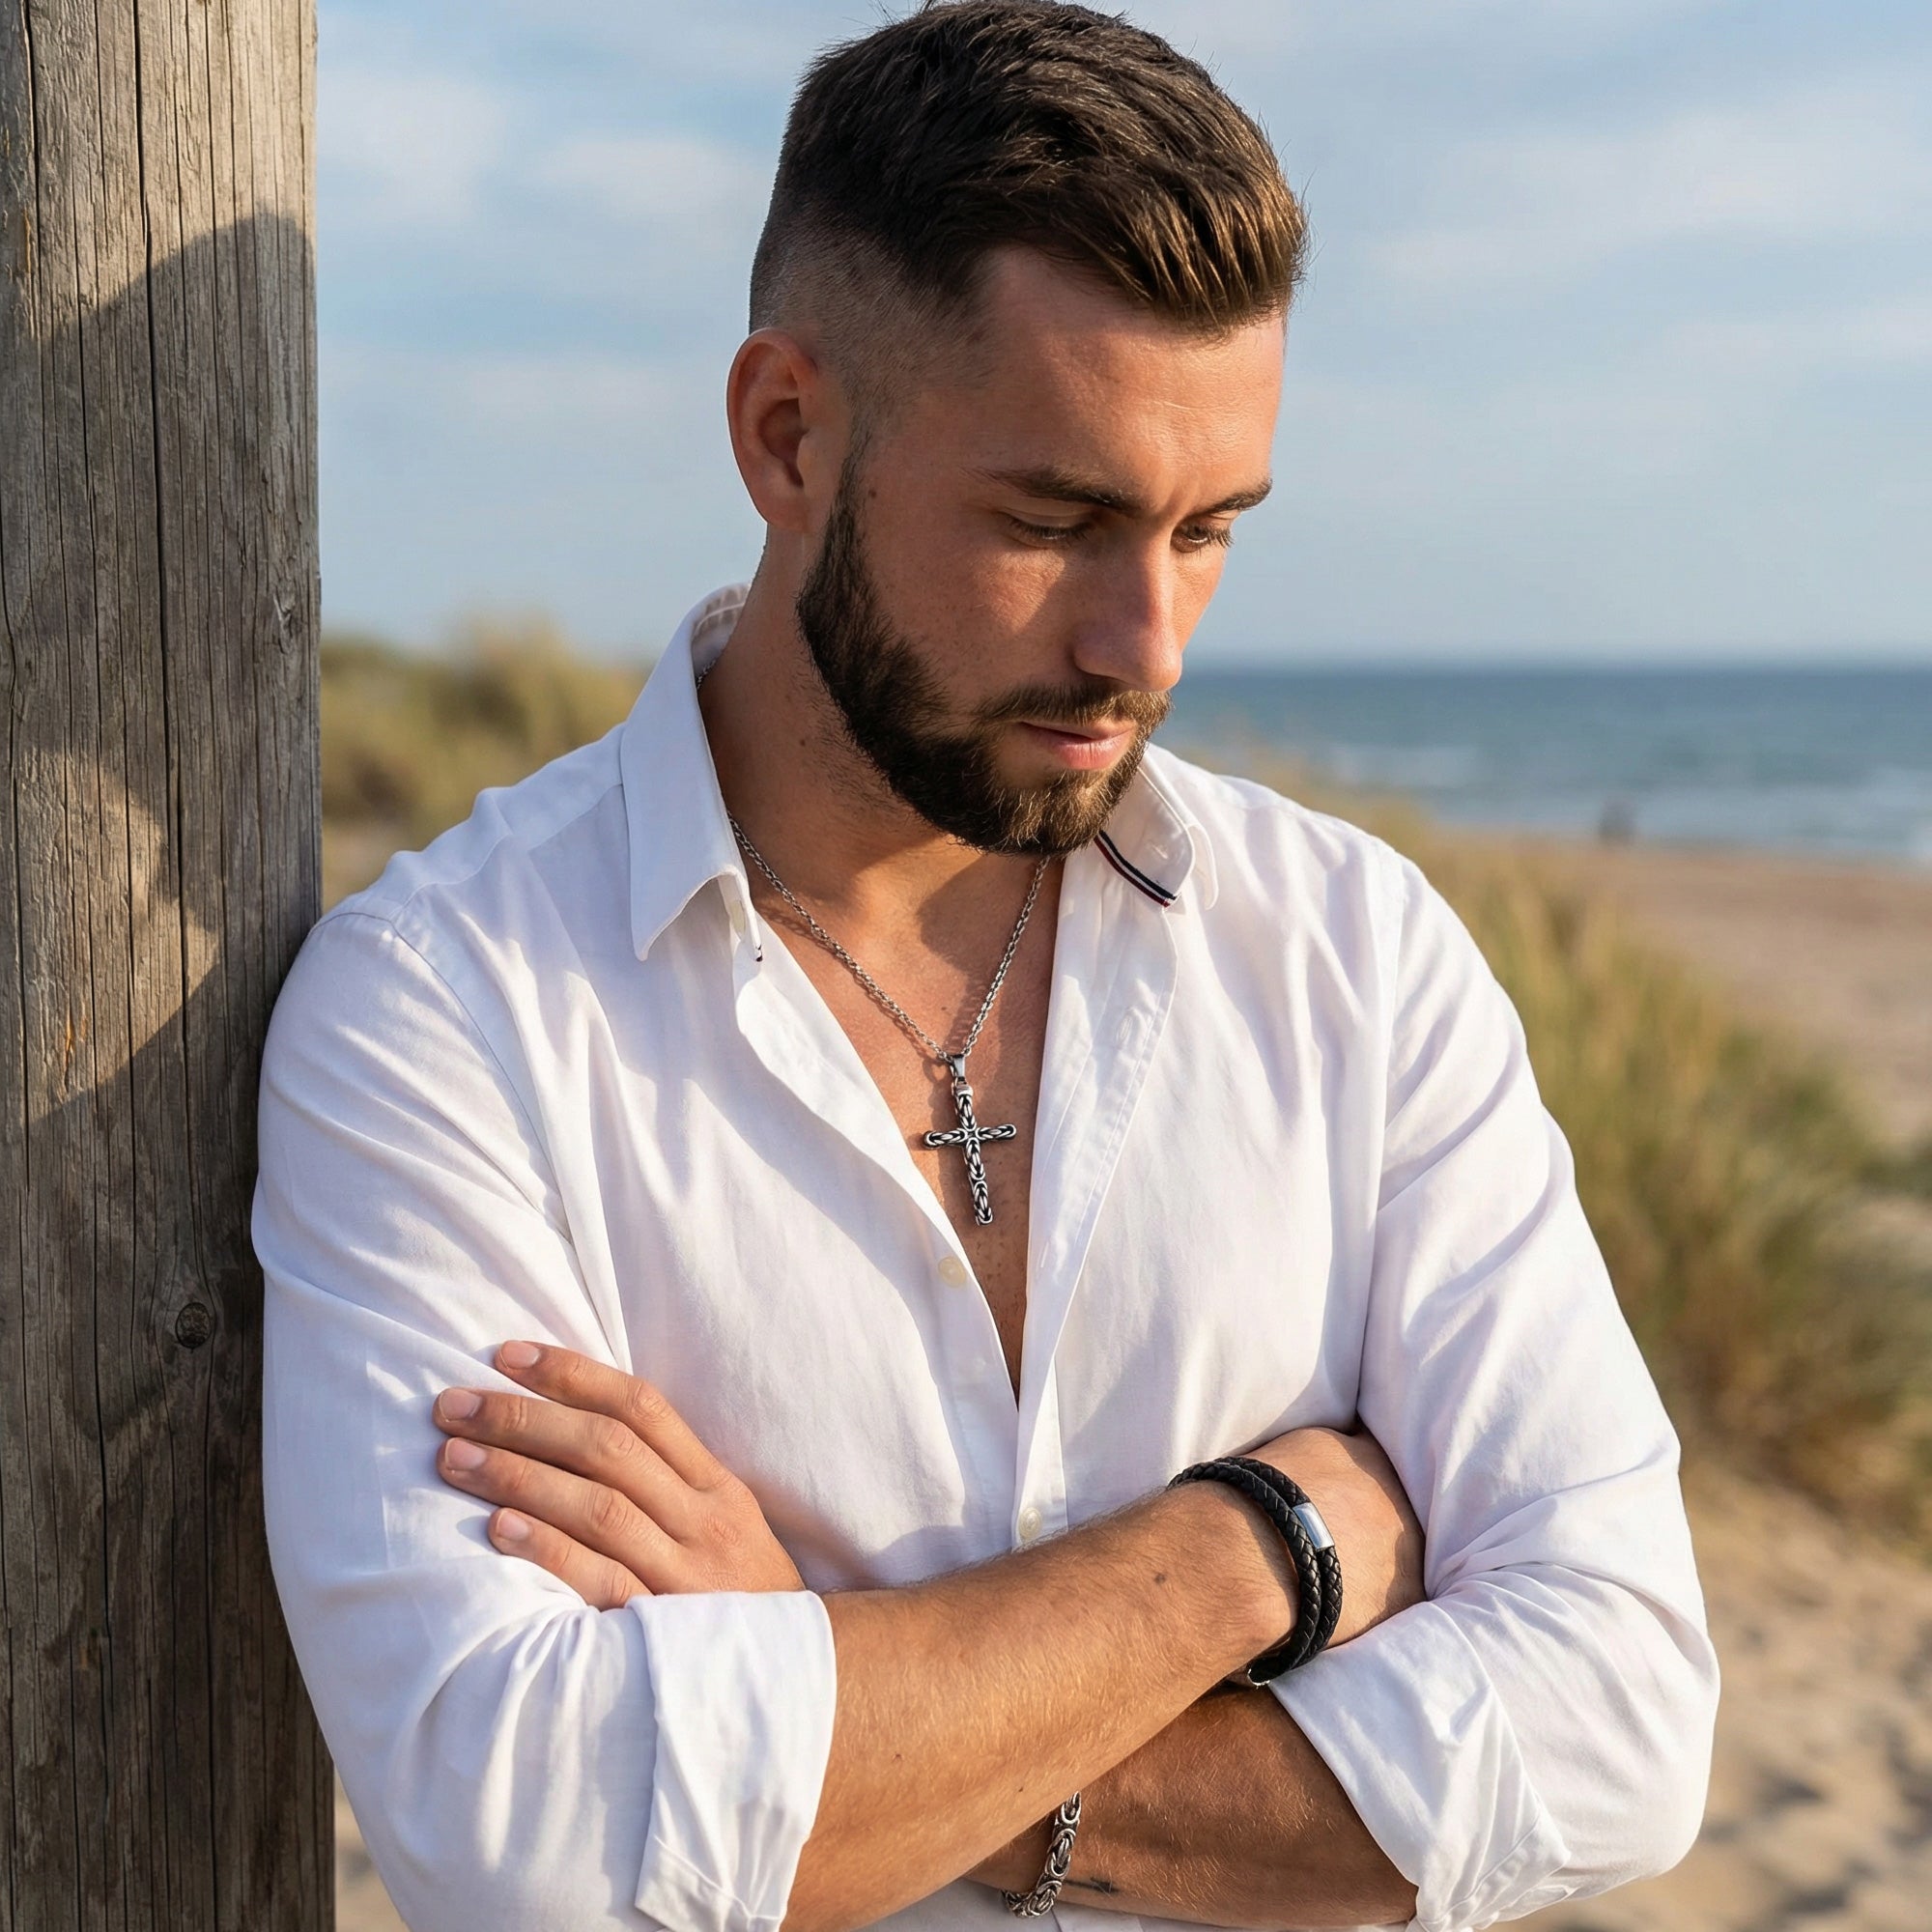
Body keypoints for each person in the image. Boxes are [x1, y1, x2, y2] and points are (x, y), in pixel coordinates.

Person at [255, 6, 1718, 1931]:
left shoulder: (1358, 962)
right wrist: (1251, 1548)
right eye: (1056, 521)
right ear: (787, 434)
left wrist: (826, 1685)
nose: (1146, 643)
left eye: (1207, 533)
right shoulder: (447, 1011)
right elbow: (537, 1831)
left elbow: (1619, 1724)